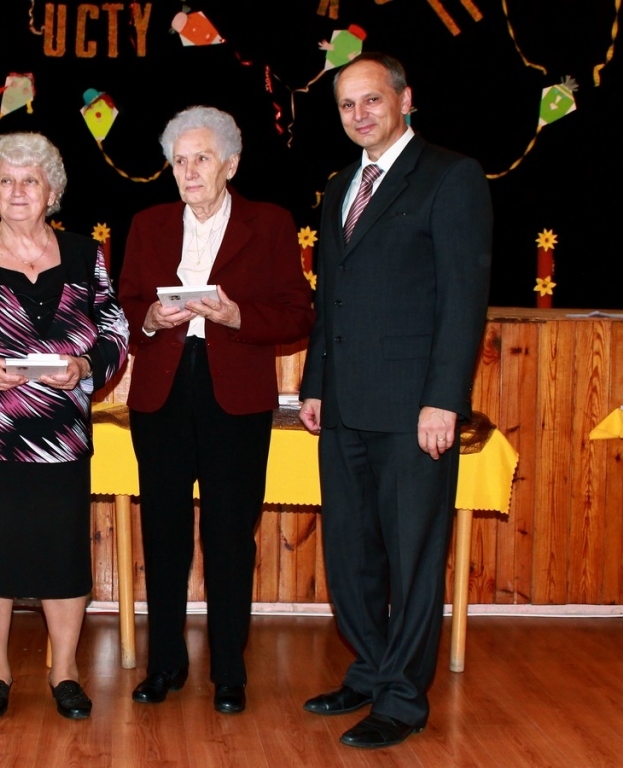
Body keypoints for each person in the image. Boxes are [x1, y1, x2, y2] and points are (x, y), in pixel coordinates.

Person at [298, 52, 492, 749]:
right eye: (347, 105)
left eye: (372, 99)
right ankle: (373, 670)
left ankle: (404, 699)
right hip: (343, 407)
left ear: (405, 100)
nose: (359, 114)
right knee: (351, 555)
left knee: (412, 560)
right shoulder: (337, 187)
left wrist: (444, 401)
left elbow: (463, 300)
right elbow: (331, 298)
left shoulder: (451, 176)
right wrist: (314, 384)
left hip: (415, 412)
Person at [118, 106, 315, 714]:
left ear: (230, 163)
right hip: (162, 393)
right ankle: (164, 664)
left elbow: (298, 313)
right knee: (164, 533)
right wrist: (151, 318)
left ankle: (229, 668)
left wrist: (236, 316)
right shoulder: (148, 224)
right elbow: (124, 305)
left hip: (235, 396)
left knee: (230, 535)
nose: (189, 171)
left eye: (201, 158)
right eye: (179, 161)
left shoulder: (270, 223)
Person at [0, 132, 129, 720]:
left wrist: (85, 367)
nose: (18, 191)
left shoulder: (84, 255)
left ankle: (65, 671)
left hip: (60, 437)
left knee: (62, 556)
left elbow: (115, 328)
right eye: (7, 181)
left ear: (52, 191)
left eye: (30, 181)